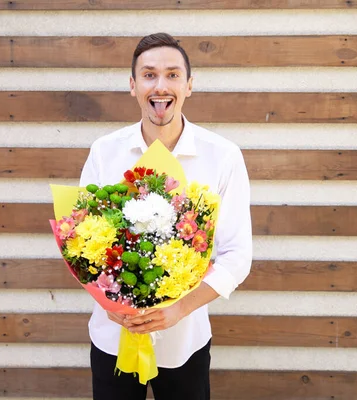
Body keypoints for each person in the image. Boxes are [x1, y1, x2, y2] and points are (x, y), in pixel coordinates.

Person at [79, 32, 252, 400]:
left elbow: (237, 256)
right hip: (113, 339)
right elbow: (79, 242)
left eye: (173, 75)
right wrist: (109, 303)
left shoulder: (222, 156)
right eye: (149, 74)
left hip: (183, 341)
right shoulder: (104, 152)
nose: (161, 85)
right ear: (133, 85)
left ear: (189, 85)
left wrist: (178, 309)